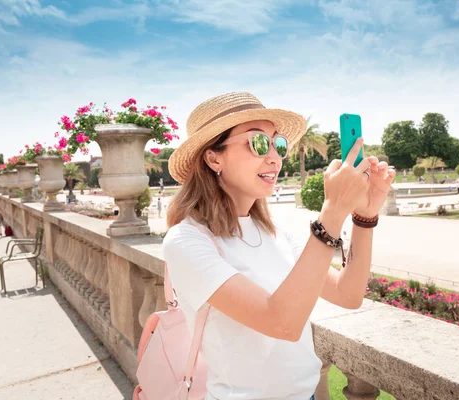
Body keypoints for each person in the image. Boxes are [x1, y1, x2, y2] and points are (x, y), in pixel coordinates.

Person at [162, 92, 395, 400]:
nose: (274, 157)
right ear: (213, 157)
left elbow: (348, 294)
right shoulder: (186, 241)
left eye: (278, 144)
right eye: (258, 143)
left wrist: (364, 216)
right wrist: (333, 209)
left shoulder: (277, 234)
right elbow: (282, 323)